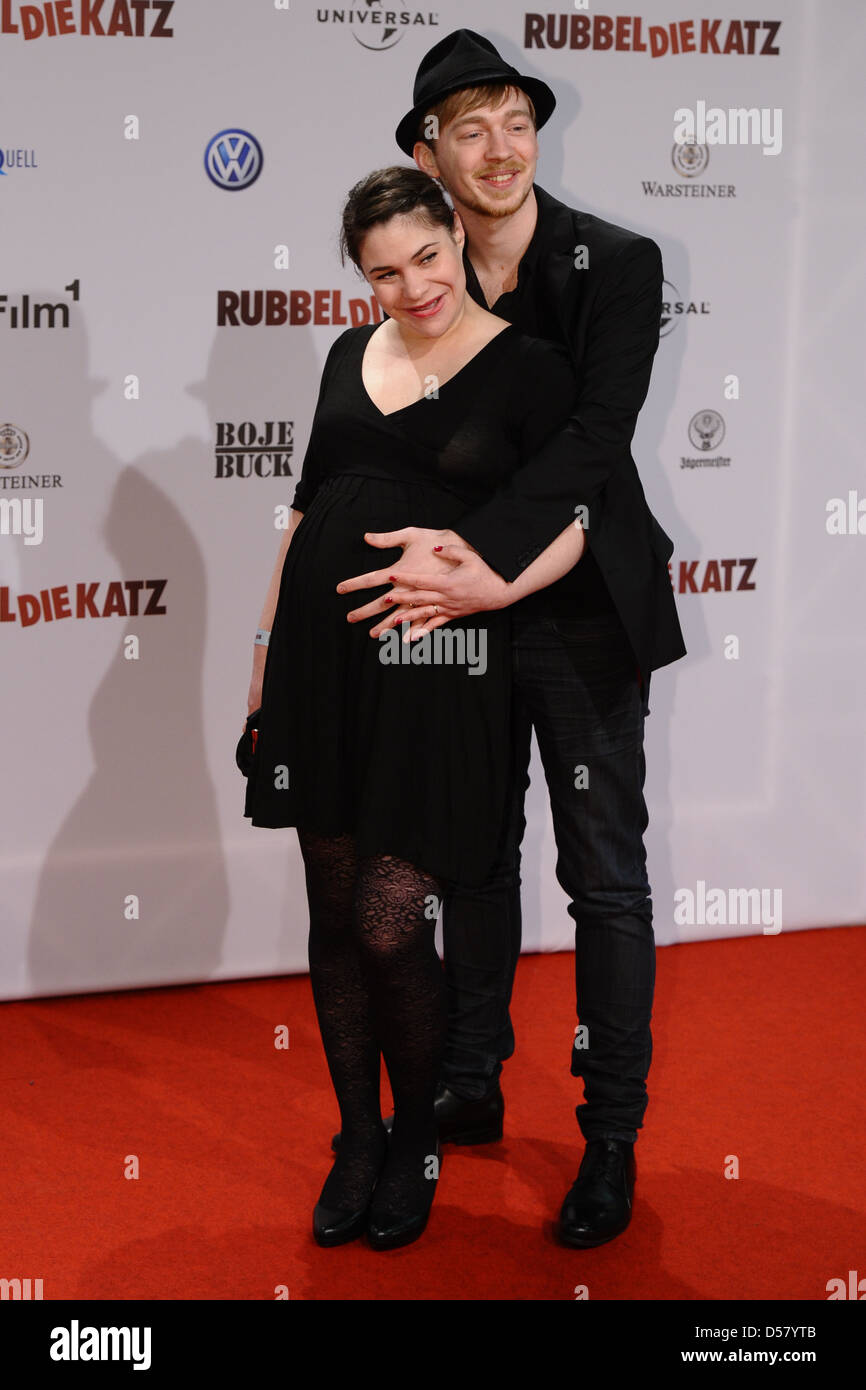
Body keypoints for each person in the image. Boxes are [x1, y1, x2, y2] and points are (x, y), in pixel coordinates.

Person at [333, 30, 687, 1248]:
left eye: (514, 121)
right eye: (467, 127)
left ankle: (608, 1138)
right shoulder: (426, 279)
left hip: (574, 609)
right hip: (451, 614)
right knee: (465, 859)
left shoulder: (620, 262)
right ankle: (469, 1072)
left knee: (603, 882)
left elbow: (593, 447)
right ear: (426, 151)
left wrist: (477, 568)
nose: (498, 148)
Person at [243, 164, 584, 1250]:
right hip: (320, 664)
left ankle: (421, 1137)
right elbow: (301, 516)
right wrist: (260, 668)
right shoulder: (348, 353)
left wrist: (491, 585)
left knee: (393, 926)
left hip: (438, 672)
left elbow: (578, 518)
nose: (412, 285)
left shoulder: (528, 367)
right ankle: (357, 1136)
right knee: (335, 917)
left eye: (426, 256)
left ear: (454, 235)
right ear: (361, 276)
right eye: (382, 272)